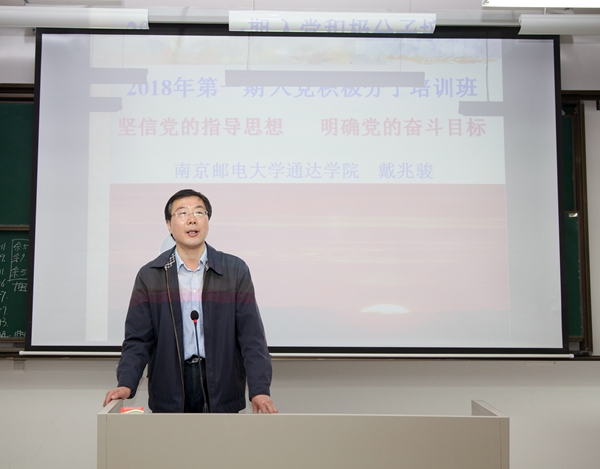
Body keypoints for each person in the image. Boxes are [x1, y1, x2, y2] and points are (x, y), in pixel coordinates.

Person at [103, 189, 277, 414]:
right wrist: (126, 383)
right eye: (182, 213)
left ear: (207, 221)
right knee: (172, 438)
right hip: (170, 384)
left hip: (222, 383)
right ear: (169, 225)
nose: (192, 219)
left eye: (199, 212)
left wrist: (259, 389)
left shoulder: (234, 270)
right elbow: (138, 340)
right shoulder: (151, 275)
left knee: (220, 438)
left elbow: (251, 336)